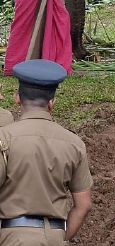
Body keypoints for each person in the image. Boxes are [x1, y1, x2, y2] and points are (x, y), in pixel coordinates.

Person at [0, 59, 93, 245]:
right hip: (55, 235)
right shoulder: (74, 143)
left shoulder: (4, 138)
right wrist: (61, 238)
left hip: (12, 236)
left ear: (17, 97)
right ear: (52, 102)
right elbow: (83, 205)